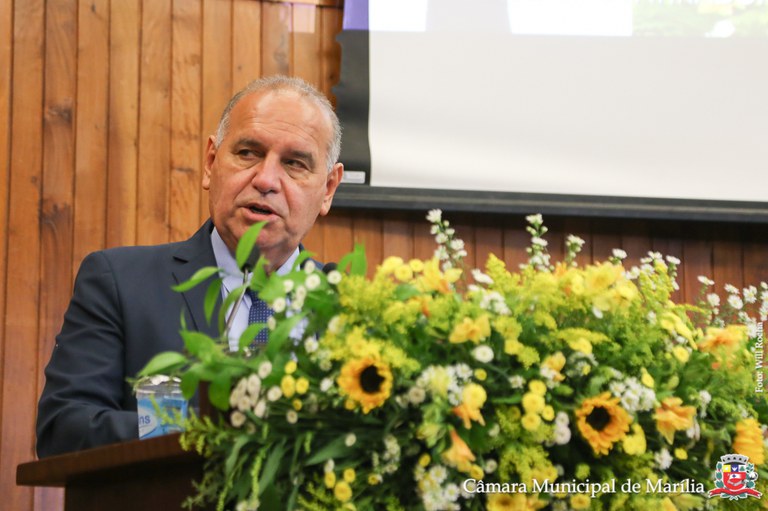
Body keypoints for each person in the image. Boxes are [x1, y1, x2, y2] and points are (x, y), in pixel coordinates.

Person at [35, 75, 344, 458]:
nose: (266, 180)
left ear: (328, 188)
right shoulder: (120, 283)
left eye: (294, 163)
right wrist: (207, 429)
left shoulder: (353, 309)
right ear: (211, 163)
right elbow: (63, 429)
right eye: (248, 153)